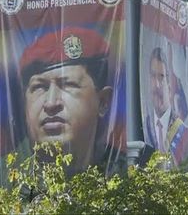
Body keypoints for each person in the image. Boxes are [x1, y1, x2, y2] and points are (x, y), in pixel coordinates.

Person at [19, 27, 120, 174]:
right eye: (40, 87)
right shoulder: (4, 177)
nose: (51, 103)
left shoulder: (125, 173)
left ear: (103, 102)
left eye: (67, 85)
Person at [144, 47, 188, 166]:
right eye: (153, 76)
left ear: (170, 87)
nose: (157, 85)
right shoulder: (143, 128)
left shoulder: (185, 136)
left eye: (161, 77)